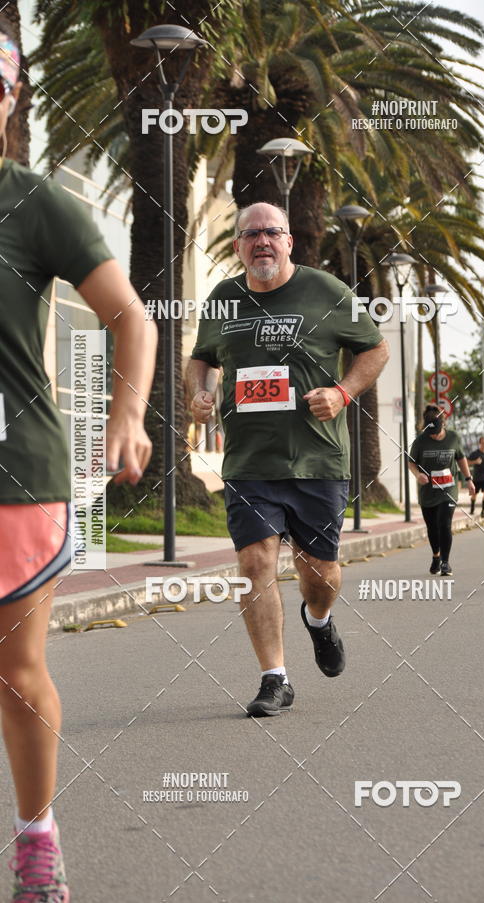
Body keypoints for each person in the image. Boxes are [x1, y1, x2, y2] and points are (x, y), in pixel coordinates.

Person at [0, 21, 157, 902]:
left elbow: (130, 316)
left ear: (11, 98)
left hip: (13, 473)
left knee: (16, 671)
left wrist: (126, 414)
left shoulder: (33, 204)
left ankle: (37, 844)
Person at [187, 201, 389, 717]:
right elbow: (201, 360)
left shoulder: (326, 291)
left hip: (317, 462)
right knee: (254, 563)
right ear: (238, 245)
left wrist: (342, 393)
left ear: (289, 241)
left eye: (272, 232)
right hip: (249, 464)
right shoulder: (224, 299)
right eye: (251, 234)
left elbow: (375, 350)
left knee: (319, 575)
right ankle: (274, 677)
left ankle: (318, 621)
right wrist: (200, 392)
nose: (262, 242)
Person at [408, 404, 476, 577]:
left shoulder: (453, 437)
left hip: (448, 489)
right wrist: (417, 475)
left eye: (437, 432)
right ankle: (436, 556)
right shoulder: (420, 441)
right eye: (431, 432)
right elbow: (411, 462)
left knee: (444, 524)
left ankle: (445, 562)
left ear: (443, 424)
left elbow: (461, 458)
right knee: (432, 527)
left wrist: (469, 480)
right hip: (428, 491)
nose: (434, 435)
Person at [467, 436, 484, 518]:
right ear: (480, 443)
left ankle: (483, 512)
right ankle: (472, 508)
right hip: (477, 477)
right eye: (483, 443)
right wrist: (475, 461)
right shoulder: (475, 453)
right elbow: (466, 462)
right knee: (474, 495)